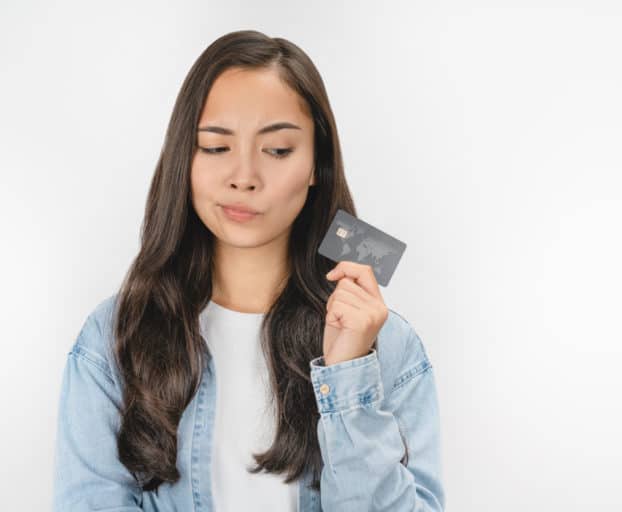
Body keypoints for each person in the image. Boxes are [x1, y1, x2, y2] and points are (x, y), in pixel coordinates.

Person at [52, 29, 445, 511]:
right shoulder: (113, 339)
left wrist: (349, 375)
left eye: (277, 150)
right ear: (185, 159)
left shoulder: (388, 347)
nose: (244, 176)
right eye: (216, 147)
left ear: (316, 163)